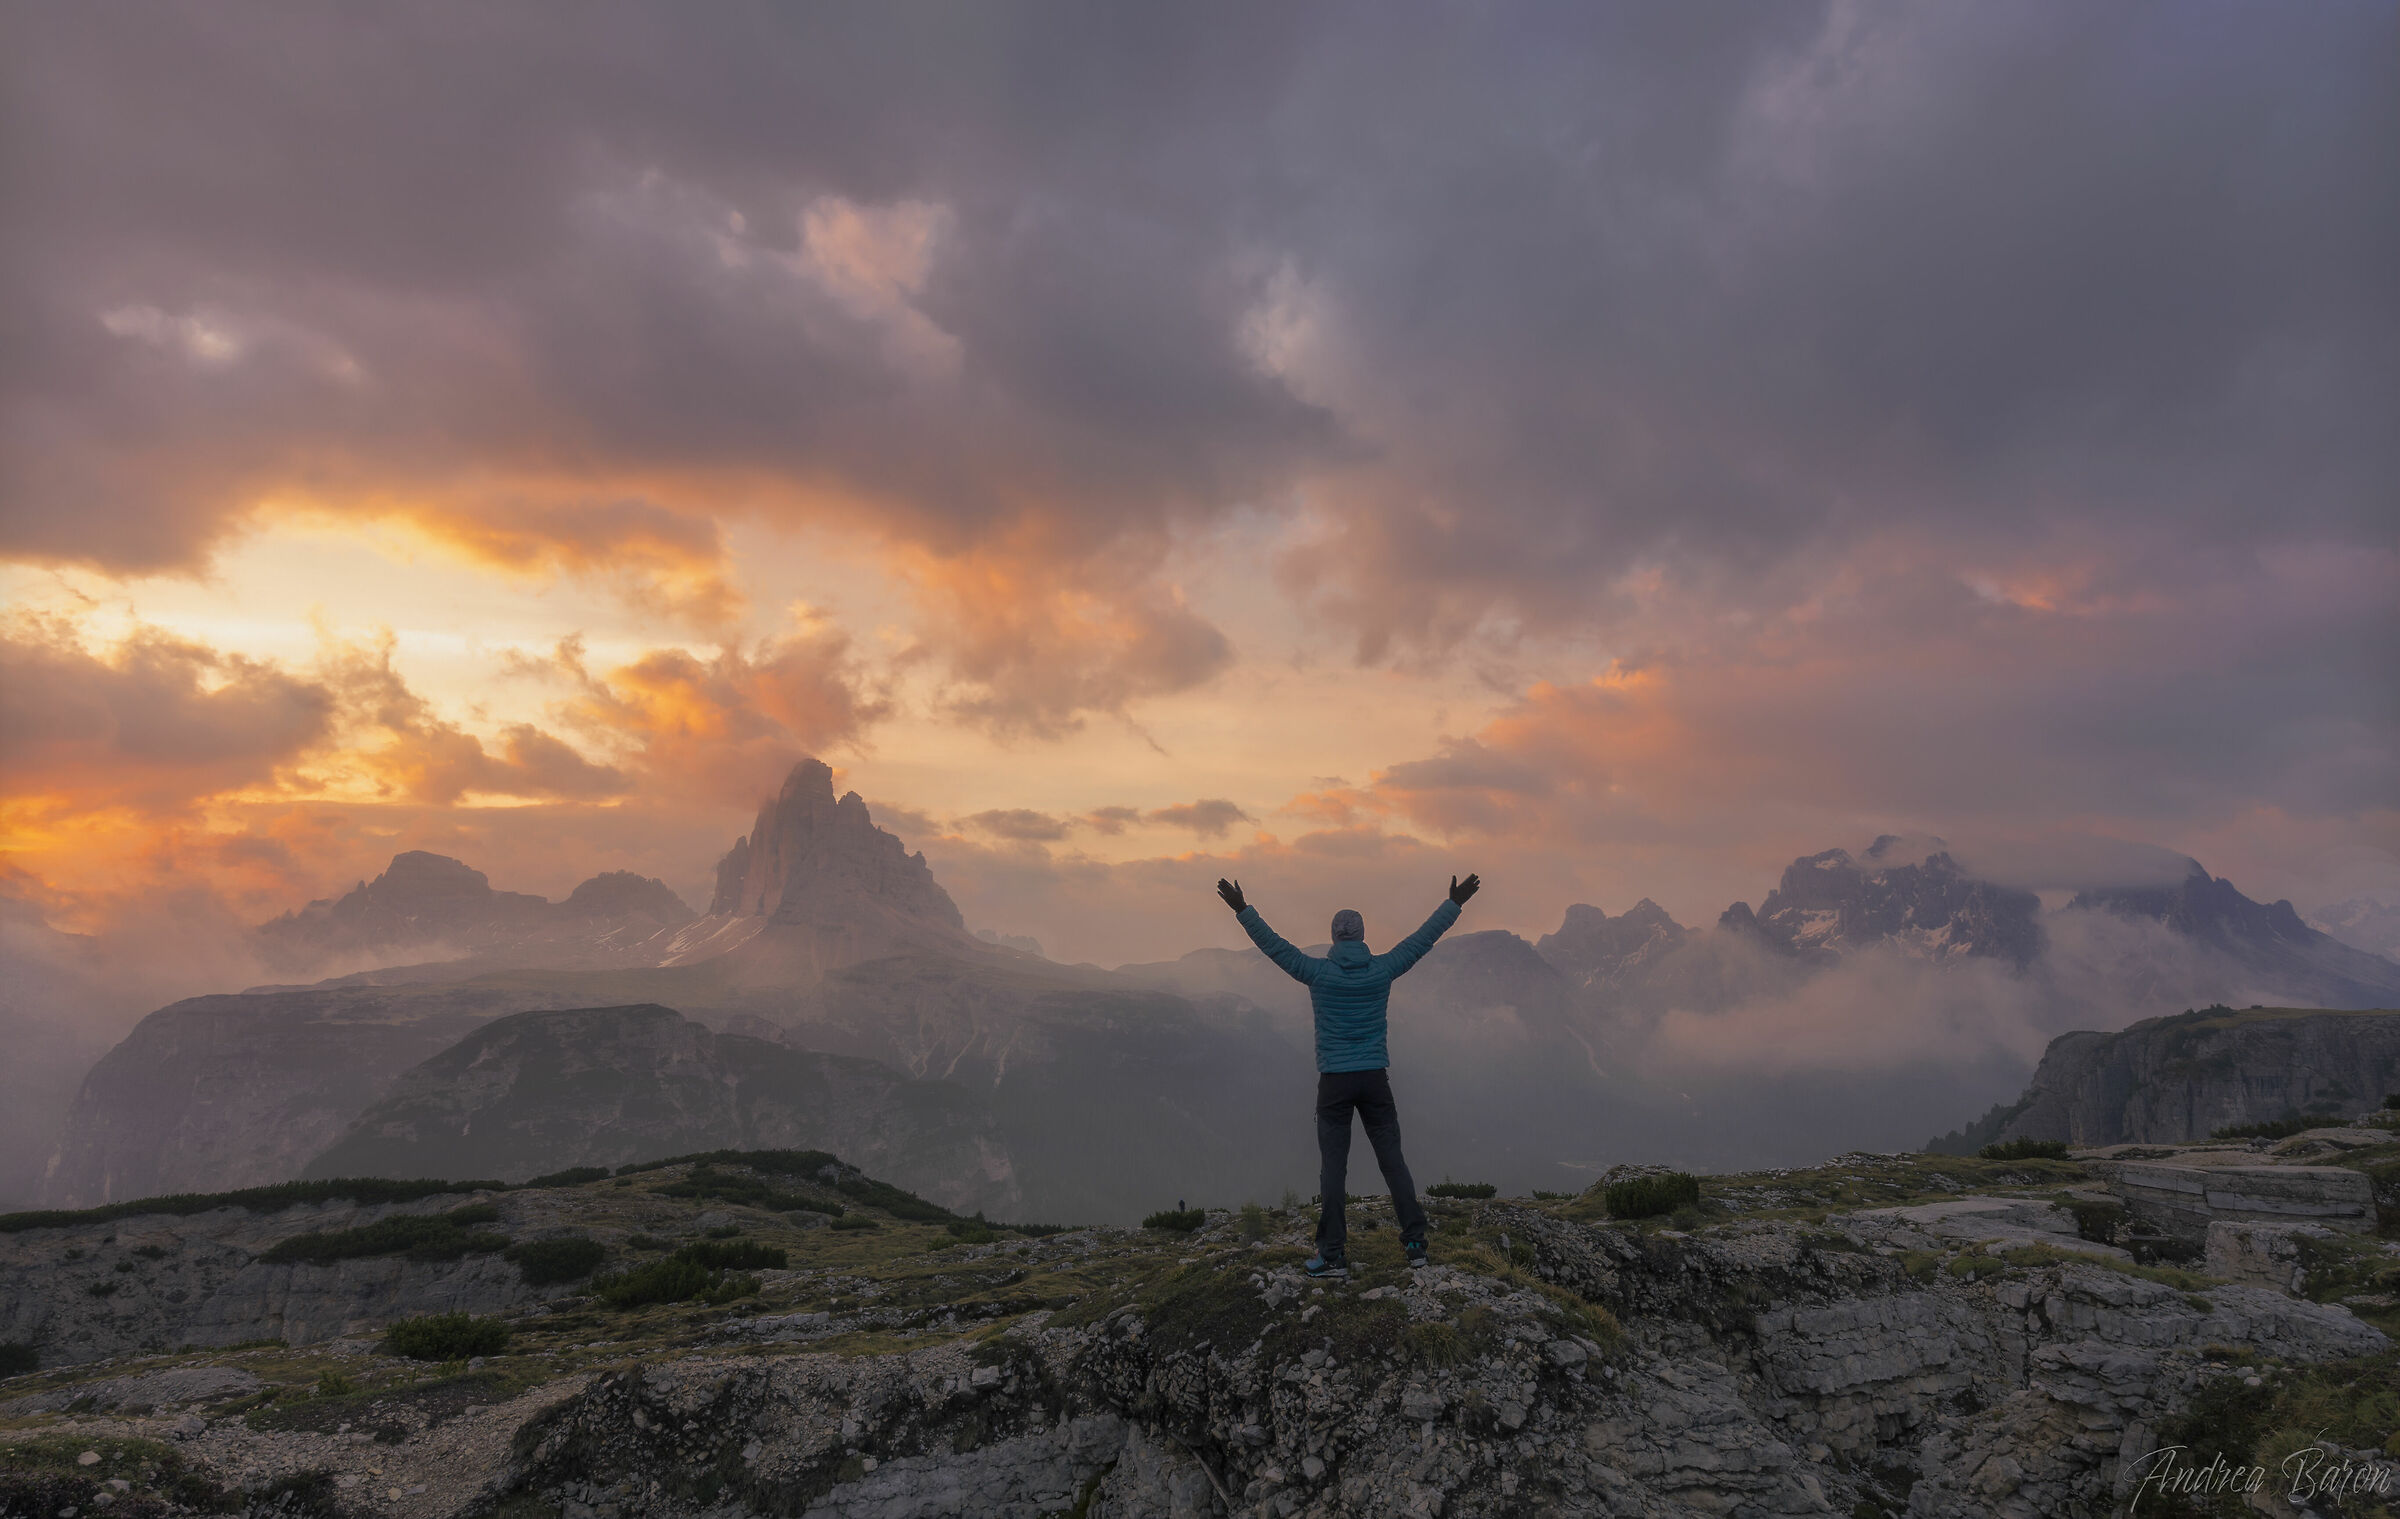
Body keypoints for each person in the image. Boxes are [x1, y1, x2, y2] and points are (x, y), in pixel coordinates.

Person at [1215, 872, 1480, 1278]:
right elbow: (1422, 939)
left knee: (1333, 1169)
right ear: (1361, 936)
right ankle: (1415, 1245)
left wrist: (1242, 909)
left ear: (1334, 938)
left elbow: (1274, 946)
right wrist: (1454, 903)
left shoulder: (1318, 973)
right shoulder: (1382, 970)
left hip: (1335, 1083)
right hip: (1375, 1078)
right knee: (1393, 1161)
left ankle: (1333, 1255)